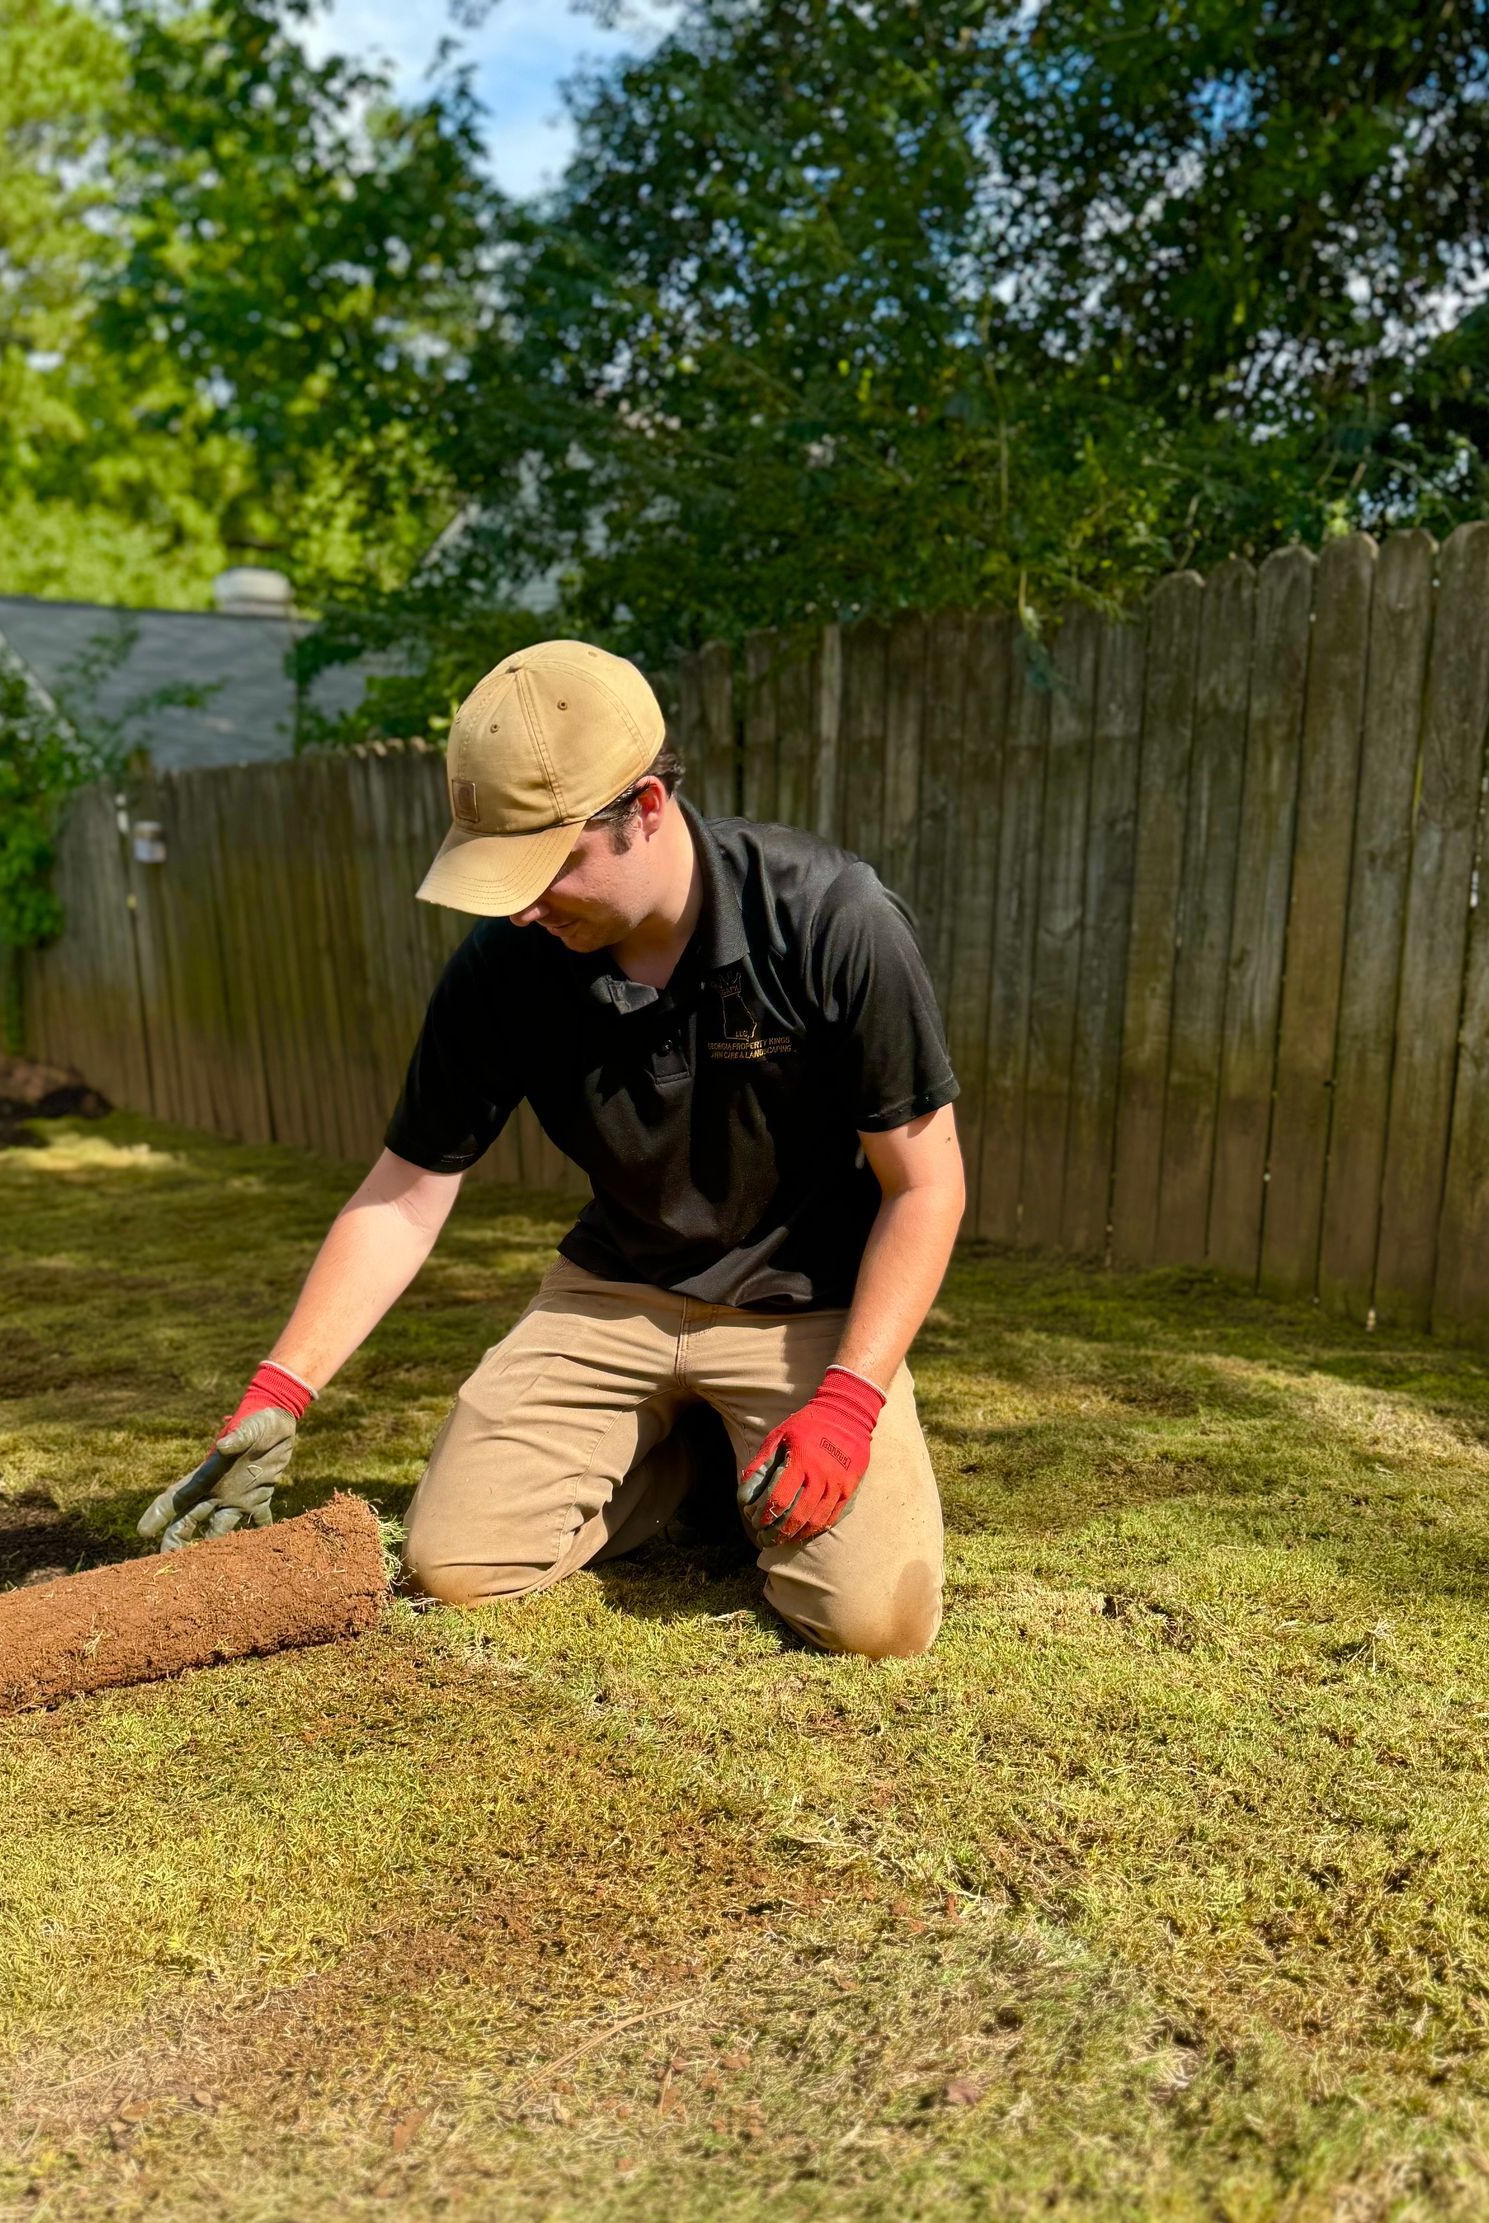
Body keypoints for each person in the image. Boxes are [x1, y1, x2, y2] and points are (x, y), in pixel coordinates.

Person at [139, 640, 965, 1659]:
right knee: (456, 1565)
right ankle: (692, 1463)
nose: (524, 905)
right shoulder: (509, 965)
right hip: (613, 1293)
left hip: (807, 1308)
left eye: (550, 865)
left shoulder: (834, 921)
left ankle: (732, 1436)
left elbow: (925, 1187)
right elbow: (405, 1191)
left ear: (647, 808)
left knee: (873, 1623)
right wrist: (278, 1393)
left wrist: (847, 1399)